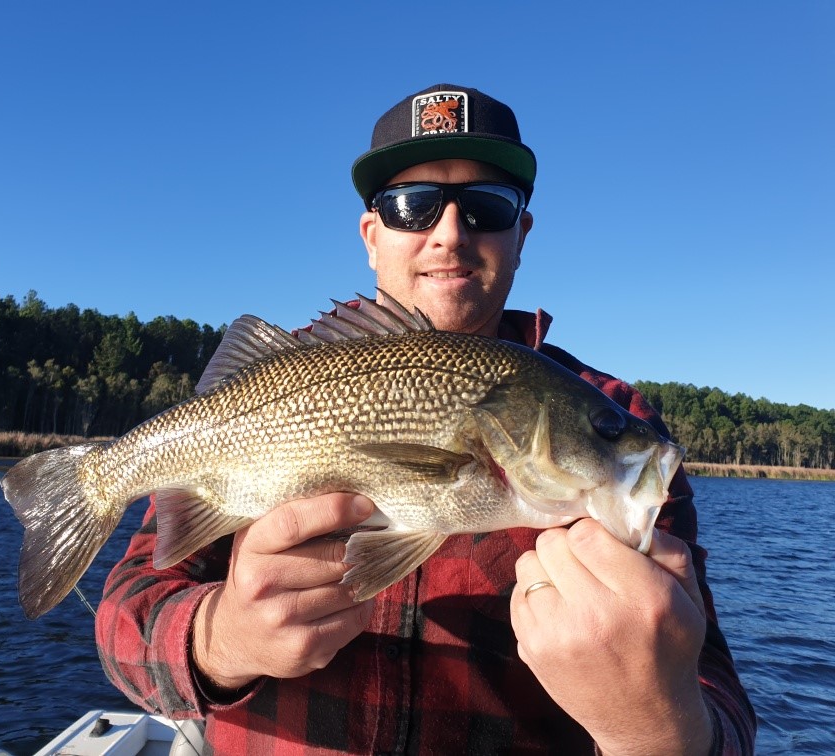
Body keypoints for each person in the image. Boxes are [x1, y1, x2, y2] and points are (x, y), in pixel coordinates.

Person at [95, 83, 756, 754]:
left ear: (520, 235)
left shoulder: (616, 415)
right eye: (411, 206)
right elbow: (126, 618)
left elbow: (718, 696)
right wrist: (222, 638)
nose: (449, 233)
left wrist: (651, 723)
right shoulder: (278, 381)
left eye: (486, 207)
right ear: (371, 233)